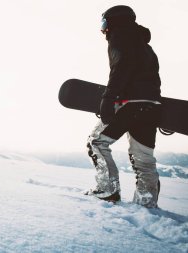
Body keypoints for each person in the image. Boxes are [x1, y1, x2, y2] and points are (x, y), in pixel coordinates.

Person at [86, 5, 162, 208]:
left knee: (96, 143)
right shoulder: (146, 47)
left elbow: (121, 69)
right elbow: (153, 79)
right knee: (143, 159)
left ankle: (108, 190)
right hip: (150, 106)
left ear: (113, 22)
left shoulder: (119, 38)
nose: (103, 30)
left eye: (104, 24)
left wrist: (108, 99)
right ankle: (146, 203)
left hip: (127, 105)